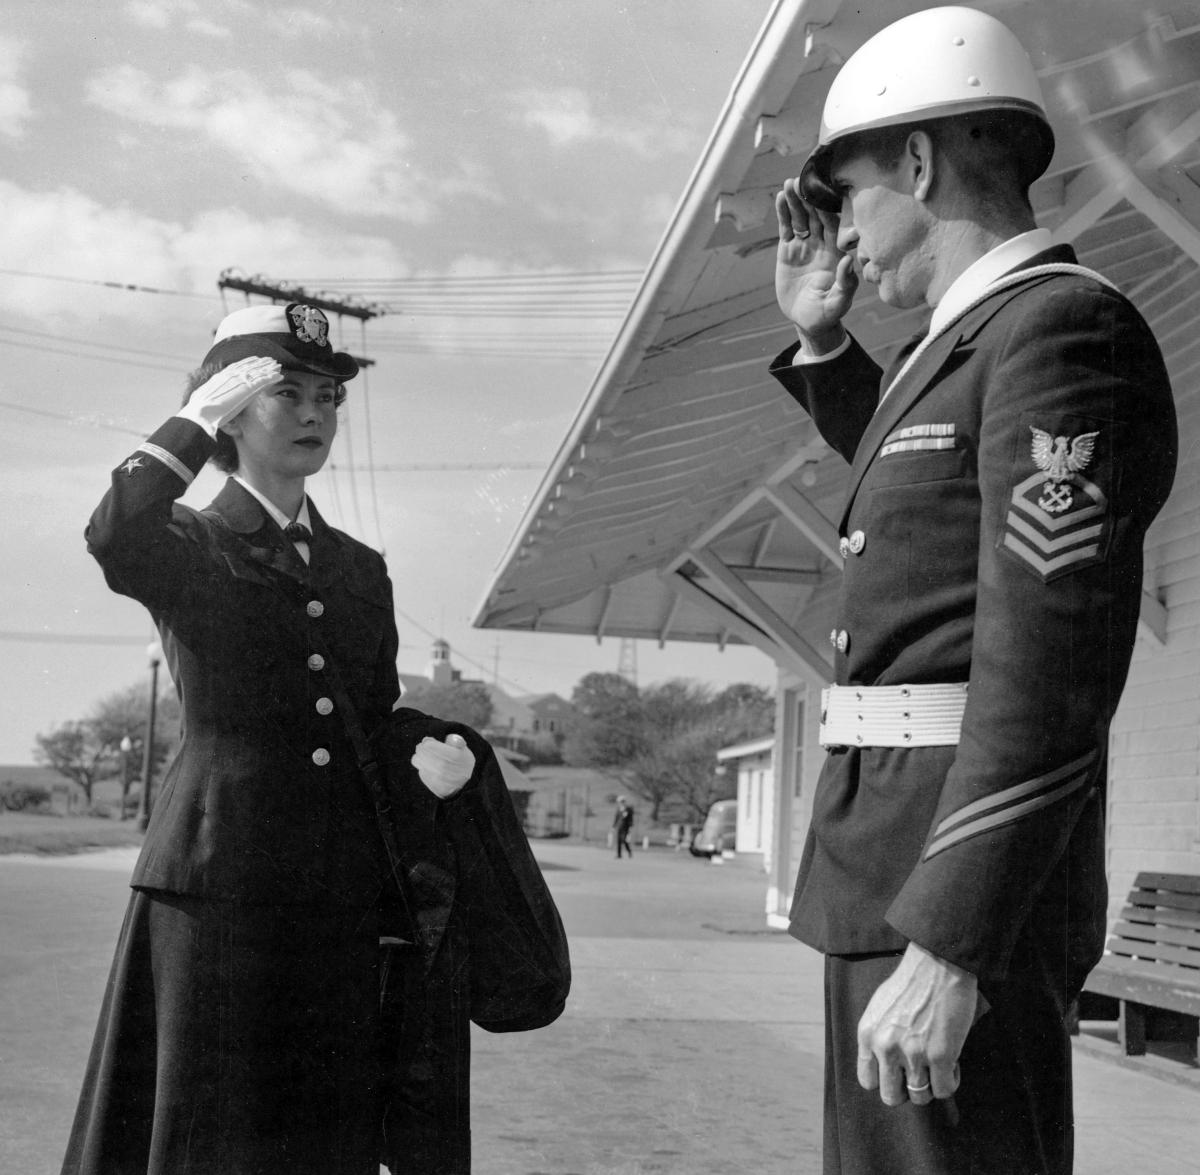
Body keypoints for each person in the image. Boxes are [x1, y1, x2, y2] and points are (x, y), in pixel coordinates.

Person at [769, 8, 1176, 1174]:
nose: (842, 234)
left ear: (916, 161)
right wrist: (824, 351)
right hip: (894, 860)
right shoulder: (961, 348)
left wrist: (952, 939)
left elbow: (1048, 661)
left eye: (844, 193)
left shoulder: (1060, 331)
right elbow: (926, 517)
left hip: (952, 885)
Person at [62, 303, 477, 1175]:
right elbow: (113, 529)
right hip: (217, 888)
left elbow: (367, 715)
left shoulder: (359, 567)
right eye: (285, 392)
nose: (315, 413)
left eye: (327, 395)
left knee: (321, 1133)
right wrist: (192, 417)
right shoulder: (184, 538)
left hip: (336, 894)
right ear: (232, 408)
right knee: (208, 1136)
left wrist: (432, 752)